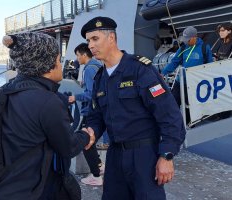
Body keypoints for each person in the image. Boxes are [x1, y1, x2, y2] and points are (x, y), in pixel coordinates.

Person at [0, 32, 95, 200]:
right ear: (46, 64)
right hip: (31, 190)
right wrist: (86, 136)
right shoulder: (47, 102)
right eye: (58, 60)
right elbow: (69, 147)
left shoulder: (6, 90)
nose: (61, 65)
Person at [81, 16, 186, 199]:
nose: (90, 45)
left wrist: (167, 155)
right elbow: (96, 116)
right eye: (88, 40)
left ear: (111, 38)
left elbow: (169, 115)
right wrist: (90, 133)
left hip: (144, 156)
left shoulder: (139, 69)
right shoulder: (100, 77)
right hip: (114, 156)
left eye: (95, 39)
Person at [68, 43, 104, 186]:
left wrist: (75, 97)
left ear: (84, 55)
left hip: (91, 110)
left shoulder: (89, 69)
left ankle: (96, 175)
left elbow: (90, 94)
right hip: (100, 109)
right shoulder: (98, 65)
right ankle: (99, 167)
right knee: (91, 140)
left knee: (86, 141)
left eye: (77, 55)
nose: (77, 58)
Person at [161, 26, 213, 123]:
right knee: (173, 103)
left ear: (194, 37)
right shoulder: (183, 48)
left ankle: (190, 124)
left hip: (194, 84)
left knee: (190, 106)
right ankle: (173, 123)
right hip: (180, 82)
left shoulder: (204, 48)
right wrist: (163, 73)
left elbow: (209, 65)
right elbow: (174, 62)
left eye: (188, 39)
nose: (186, 42)